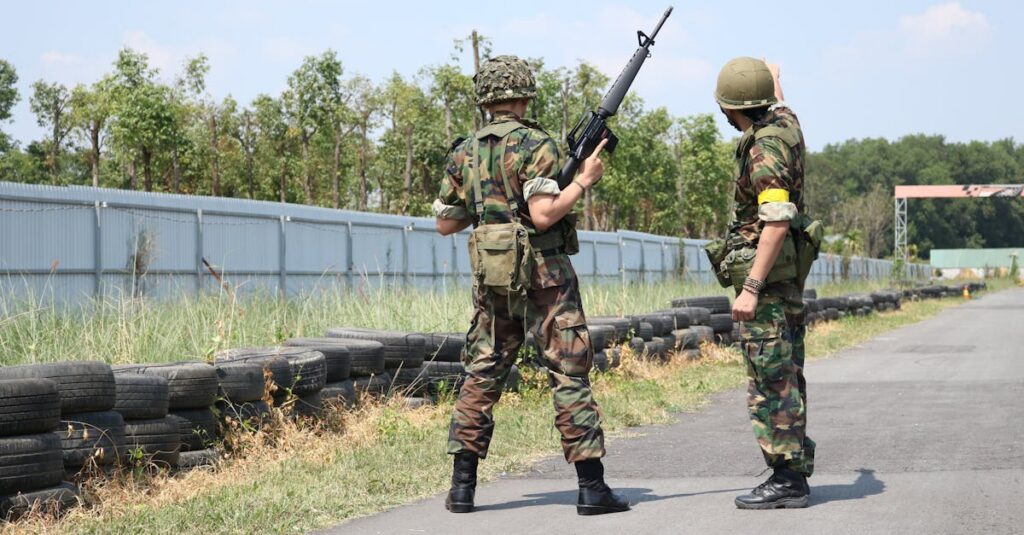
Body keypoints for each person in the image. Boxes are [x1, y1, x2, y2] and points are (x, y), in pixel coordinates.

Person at [432, 55, 629, 516]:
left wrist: (492, 208)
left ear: (485, 100)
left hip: (493, 280)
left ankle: (462, 488)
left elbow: (445, 222)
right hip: (545, 279)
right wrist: (582, 182)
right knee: (568, 370)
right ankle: (591, 488)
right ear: (524, 95)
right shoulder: (536, 144)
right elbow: (543, 215)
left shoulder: (464, 150)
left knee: (482, 373)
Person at [714, 56, 816, 509]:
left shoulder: (762, 150)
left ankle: (787, 479)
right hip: (787, 278)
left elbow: (774, 221)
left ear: (730, 108)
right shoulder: (786, 124)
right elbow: (781, 102)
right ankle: (791, 471)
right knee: (788, 373)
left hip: (769, 284)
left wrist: (750, 288)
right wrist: (775, 78)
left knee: (771, 377)